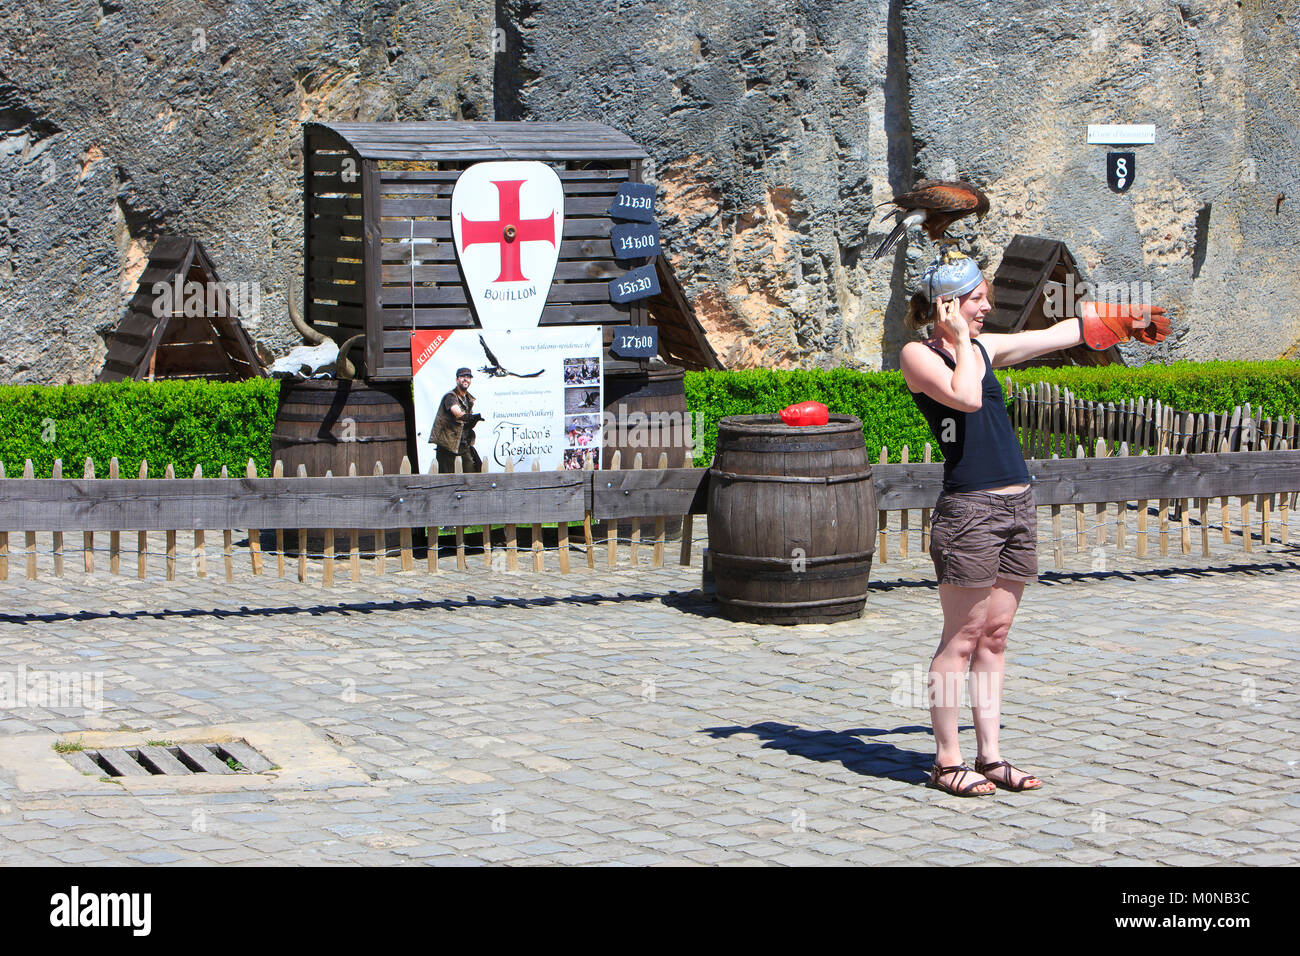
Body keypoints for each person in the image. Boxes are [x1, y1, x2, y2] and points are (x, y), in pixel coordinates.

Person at [899, 254, 1167, 796]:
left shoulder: (981, 348)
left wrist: (1119, 319)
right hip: (970, 511)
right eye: (977, 300)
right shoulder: (918, 356)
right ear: (947, 305)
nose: (987, 308)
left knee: (994, 638)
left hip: (1016, 505)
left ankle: (990, 756)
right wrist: (954, 338)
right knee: (962, 637)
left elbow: (1052, 335)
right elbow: (968, 398)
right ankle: (947, 762)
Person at [430, 367, 483, 474]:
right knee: (447, 479)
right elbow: (457, 413)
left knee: (472, 474)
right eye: (462, 377)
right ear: (457, 380)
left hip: (463, 444)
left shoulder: (468, 399)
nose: (465, 379)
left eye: (468, 377)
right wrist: (469, 417)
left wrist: (473, 421)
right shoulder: (450, 396)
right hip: (448, 447)